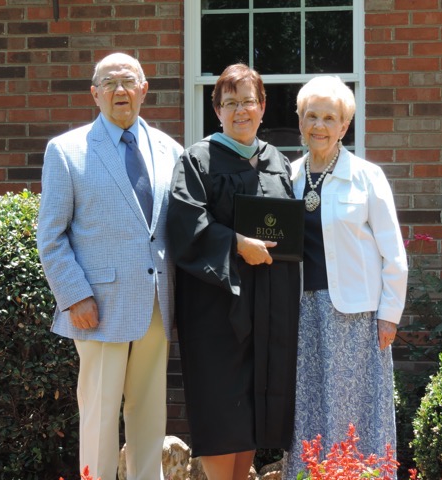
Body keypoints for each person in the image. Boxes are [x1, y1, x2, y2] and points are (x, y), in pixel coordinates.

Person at [36, 52, 183, 480]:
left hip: (157, 305)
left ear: (144, 91)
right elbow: (51, 234)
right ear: (94, 94)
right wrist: (73, 294)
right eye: (110, 83)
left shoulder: (169, 150)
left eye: (129, 82)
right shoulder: (67, 151)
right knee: (100, 414)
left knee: (150, 414)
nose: (121, 91)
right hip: (96, 307)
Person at [167, 64, 301, 480]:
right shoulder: (198, 160)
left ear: (263, 107)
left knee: (251, 411)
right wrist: (237, 244)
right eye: (230, 103)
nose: (240, 110)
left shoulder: (277, 160)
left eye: (248, 101)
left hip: (269, 306)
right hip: (217, 307)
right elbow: (185, 227)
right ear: (217, 111)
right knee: (221, 403)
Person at [282, 76, 408, 479]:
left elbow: (394, 253)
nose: (319, 125)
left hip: (356, 318)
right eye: (311, 116)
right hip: (301, 314)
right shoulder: (287, 176)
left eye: (329, 118)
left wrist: (389, 314)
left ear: (344, 126)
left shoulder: (367, 177)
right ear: (300, 122)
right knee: (309, 408)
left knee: (356, 412)